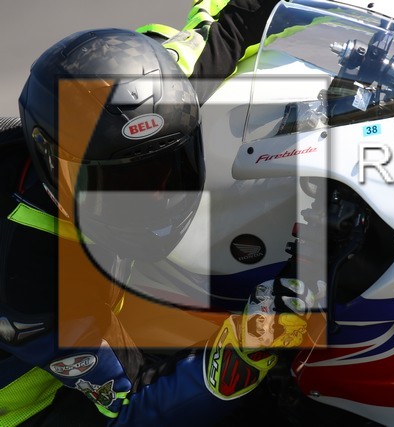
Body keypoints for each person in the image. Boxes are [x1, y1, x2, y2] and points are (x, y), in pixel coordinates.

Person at [0, 0, 295, 425]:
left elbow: (231, 21)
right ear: (52, 165)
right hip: (36, 406)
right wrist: (260, 339)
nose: (153, 198)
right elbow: (134, 406)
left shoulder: (154, 92)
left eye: (166, 168)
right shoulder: (30, 272)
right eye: (118, 185)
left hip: (115, 299)